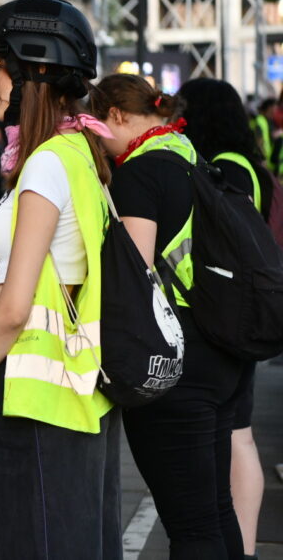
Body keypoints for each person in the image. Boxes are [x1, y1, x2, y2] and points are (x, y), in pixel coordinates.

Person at [0, 0, 120, 559]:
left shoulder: (47, 163)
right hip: (76, 388)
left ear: (34, 71)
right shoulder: (79, 153)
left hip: (39, 396)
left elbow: (14, 306)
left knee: (39, 543)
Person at [88, 72, 245, 559]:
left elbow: (133, 279)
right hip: (224, 351)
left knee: (191, 525)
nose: (97, 141)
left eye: (96, 126)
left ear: (116, 115)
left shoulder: (140, 173)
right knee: (216, 508)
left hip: (177, 364)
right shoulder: (192, 158)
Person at [179, 78, 267, 560]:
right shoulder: (246, 163)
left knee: (237, 437)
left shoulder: (227, 167)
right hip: (241, 315)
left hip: (232, 316)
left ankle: (243, 546)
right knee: (238, 435)